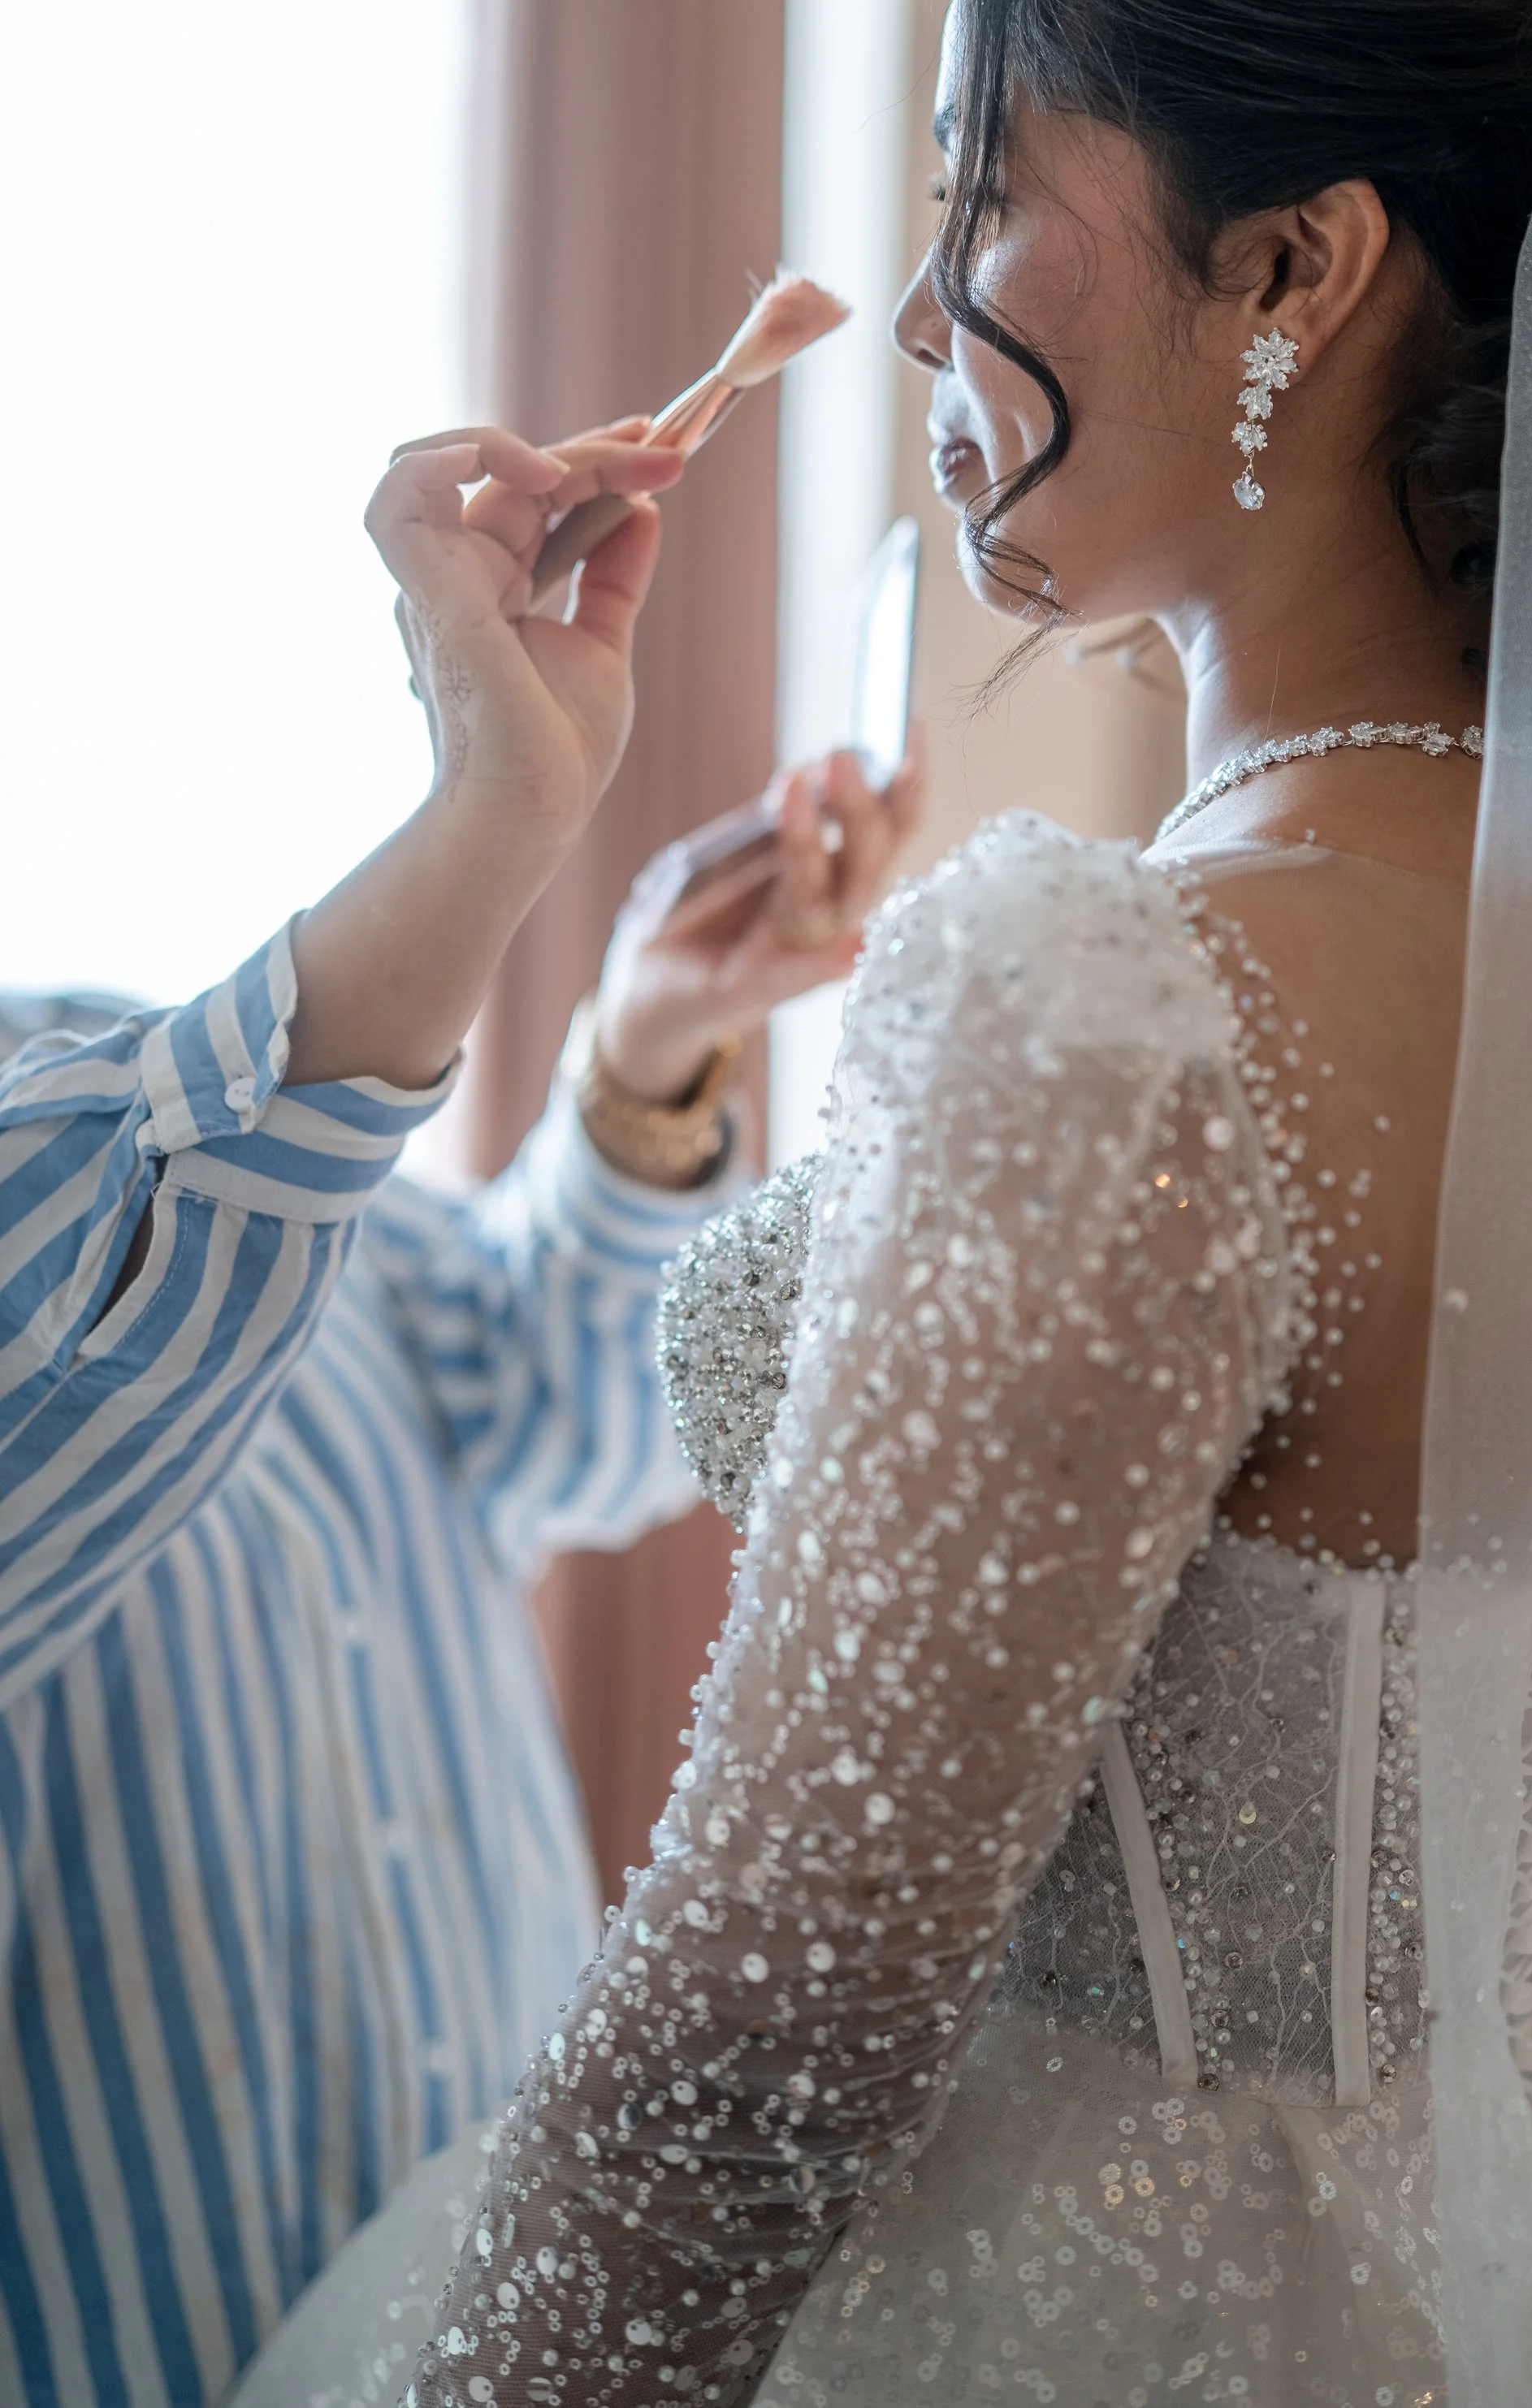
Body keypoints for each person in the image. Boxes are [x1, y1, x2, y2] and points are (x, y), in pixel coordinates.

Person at [305, 0, 1532, 2406]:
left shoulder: (1120, 1014)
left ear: (1294, 271)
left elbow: (757, 2038)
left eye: (996, 184)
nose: (933, 307)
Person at [0, 409, 920, 2408]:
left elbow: (567, 1414)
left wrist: (644, 1050)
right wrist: (486, 824)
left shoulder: (144, 1077)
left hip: (523, 2324)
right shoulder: (100, 1189)